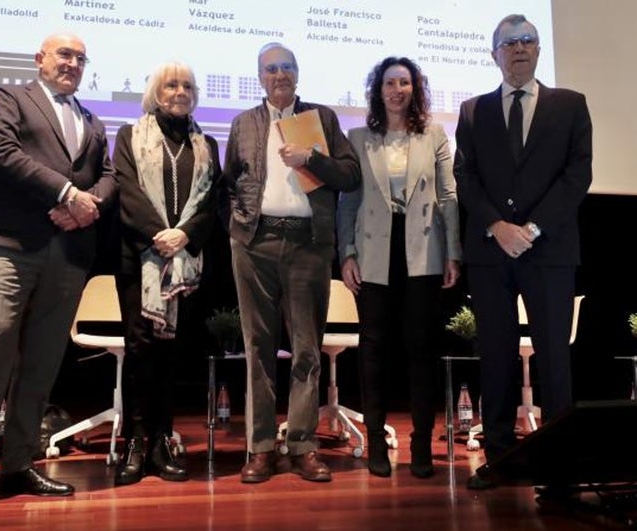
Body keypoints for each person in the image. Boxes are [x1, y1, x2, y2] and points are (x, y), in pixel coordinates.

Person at [0, 32, 118, 517]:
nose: (73, 63)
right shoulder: (10, 98)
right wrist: (65, 195)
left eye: (81, 58)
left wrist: (88, 206)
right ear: (39, 59)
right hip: (7, 243)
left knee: (42, 362)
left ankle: (19, 463)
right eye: (65, 54)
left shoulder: (92, 120)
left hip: (68, 251)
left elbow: (106, 175)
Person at [453, 14, 592, 489]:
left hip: (548, 250)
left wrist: (529, 229)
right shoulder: (472, 111)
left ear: (538, 51)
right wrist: (497, 225)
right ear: (494, 54)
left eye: (528, 41)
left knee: (554, 357)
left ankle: (558, 467)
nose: (519, 48)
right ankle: (499, 458)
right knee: (495, 354)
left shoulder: (571, 105)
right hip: (491, 252)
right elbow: (465, 178)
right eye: (509, 43)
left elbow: (578, 176)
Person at [223, 42, 361, 483]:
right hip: (254, 243)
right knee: (258, 349)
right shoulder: (243, 123)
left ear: (298, 74)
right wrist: (238, 226)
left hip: (308, 244)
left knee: (306, 349)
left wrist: (313, 159)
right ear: (259, 77)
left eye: (287, 67)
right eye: (270, 69)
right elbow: (229, 182)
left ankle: (302, 444)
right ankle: (261, 448)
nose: (279, 75)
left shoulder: (321, 119)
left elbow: (350, 175)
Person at [337, 57, 461, 479]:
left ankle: (422, 445)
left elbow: (448, 196)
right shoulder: (357, 137)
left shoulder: (435, 135)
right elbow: (347, 202)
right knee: (373, 350)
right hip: (374, 253)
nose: (397, 90)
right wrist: (347, 253)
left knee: (422, 349)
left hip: (422, 251)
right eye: (389, 83)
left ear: (414, 89)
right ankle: (374, 442)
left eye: (404, 82)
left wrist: (453, 252)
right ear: (379, 90)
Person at [112, 62, 221, 485]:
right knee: (141, 350)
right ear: (157, 93)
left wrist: (185, 236)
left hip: (185, 263)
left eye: (188, 85)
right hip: (141, 257)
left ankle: (162, 440)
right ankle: (135, 444)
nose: (180, 91)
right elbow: (125, 188)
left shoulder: (207, 143)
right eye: (171, 85)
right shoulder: (128, 136)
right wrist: (159, 235)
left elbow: (212, 200)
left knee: (173, 354)